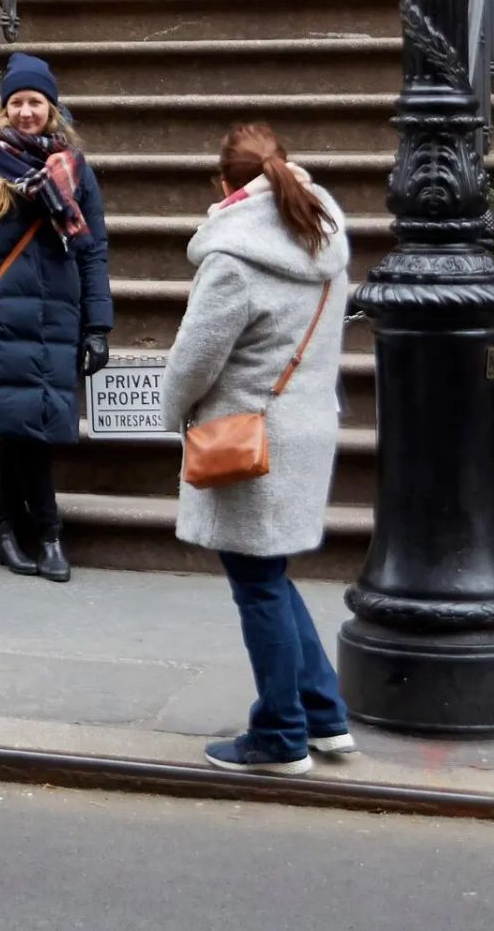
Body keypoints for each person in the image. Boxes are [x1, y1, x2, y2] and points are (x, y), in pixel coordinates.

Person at [161, 123, 354, 776]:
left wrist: (172, 410)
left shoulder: (234, 255)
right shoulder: (321, 233)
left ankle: (280, 732)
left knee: (256, 584)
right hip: (306, 425)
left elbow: (195, 357)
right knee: (269, 573)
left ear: (225, 184)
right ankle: (324, 714)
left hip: (249, 434)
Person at [0, 53, 112, 583]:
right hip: (0, 319)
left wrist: (98, 325)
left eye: (35, 102)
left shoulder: (75, 171)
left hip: (57, 318)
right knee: (23, 425)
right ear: (5, 107)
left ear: (52, 108)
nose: (26, 111)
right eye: (17, 102)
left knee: (28, 426)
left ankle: (5, 531)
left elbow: (94, 250)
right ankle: (50, 533)